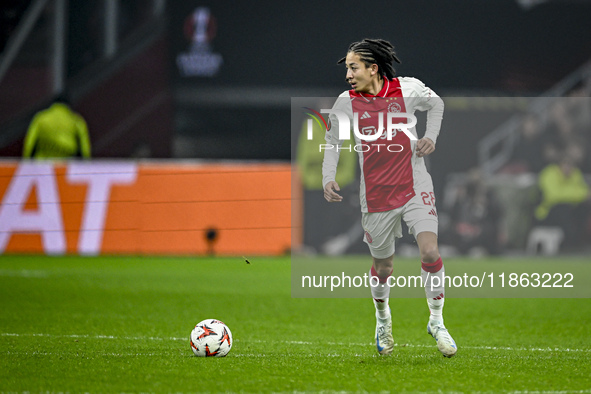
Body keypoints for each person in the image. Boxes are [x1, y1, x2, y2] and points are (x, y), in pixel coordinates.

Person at [322, 39, 456, 357]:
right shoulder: (346, 102)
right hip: (377, 196)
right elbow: (331, 141)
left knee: (430, 250)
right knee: (383, 266)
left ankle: (436, 321)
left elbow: (437, 104)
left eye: (354, 68)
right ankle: (383, 320)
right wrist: (328, 176)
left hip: (414, 185)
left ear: (373, 68)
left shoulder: (407, 89)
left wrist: (430, 137)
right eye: (347, 69)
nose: (348, 75)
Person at [23, 94, 91, 159]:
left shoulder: (40, 117)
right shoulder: (75, 120)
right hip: (67, 163)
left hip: (42, 161)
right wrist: (85, 164)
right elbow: (85, 147)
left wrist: (27, 162)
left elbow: (30, 142)